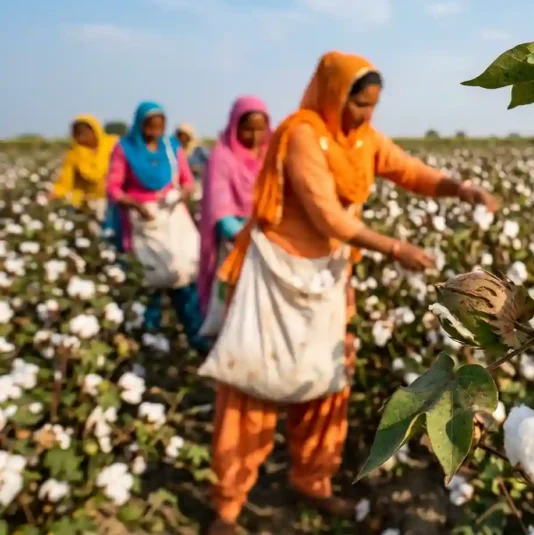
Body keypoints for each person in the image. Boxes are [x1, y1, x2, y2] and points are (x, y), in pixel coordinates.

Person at [204, 51, 499, 534]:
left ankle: (313, 481)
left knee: (325, 382)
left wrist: (461, 189)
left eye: (372, 105)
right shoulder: (301, 133)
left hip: (328, 275)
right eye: (358, 104)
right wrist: (394, 247)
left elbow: (410, 171)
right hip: (278, 273)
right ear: (334, 93)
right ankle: (228, 505)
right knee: (252, 384)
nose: (366, 114)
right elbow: (327, 217)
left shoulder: (362, 140)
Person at [107, 101, 207, 350]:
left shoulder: (172, 148)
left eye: (159, 126)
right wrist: (134, 204)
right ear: (140, 125)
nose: (155, 131)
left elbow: (187, 181)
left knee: (183, 276)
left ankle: (196, 336)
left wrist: (182, 194)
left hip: (173, 221)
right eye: (150, 126)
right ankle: (149, 342)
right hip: (143, 223)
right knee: (149, 282)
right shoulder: (125, 149)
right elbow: (113, 188)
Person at [197, 96, 271, 317]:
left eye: (261, 129)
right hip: (235, 240)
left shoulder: (270, 155)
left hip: (267, 238)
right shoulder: (222, 157)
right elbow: (221, 209)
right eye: (248, 130)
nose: (256, 137)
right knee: (235, 307)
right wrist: (247, 235)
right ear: (235, 126)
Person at [50, 114, 117, 219]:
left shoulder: (114, 145)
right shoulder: (74, 154)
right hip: (90, 204)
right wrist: (50, 196)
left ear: (95, 131)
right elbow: (65, 182)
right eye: (77, 135)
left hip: (117, 201)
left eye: (85, 133)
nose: (81, 138)